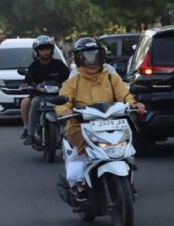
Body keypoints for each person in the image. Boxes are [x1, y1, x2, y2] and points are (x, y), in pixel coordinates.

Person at [54, 38, 145, 199]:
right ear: (79, 59)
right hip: (80, 125)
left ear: (102, 57)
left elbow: (124, 94)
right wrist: (64, 110)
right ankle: (79, 186)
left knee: (126, 146)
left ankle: (127, 181)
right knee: (84, 149)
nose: (92, 62)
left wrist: (134, 103)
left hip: (112, 122)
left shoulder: (111, 77)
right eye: (87, 57)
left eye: (95, 56)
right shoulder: (73, 81)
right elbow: (63, 99)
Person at [20, 35, 69, 147]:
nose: (45, 52)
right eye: (42, 49)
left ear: (52, 50)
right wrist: (27, 85)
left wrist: (64, 85)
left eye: (47, 49)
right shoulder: (34, 66)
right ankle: (30, 134)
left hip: (58, 96)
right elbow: (26, 81)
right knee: (33, 102)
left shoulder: (59, 64)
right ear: (37, 52)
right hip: (39, 95)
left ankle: (67, 133)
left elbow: (69, 79)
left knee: (69, 105)